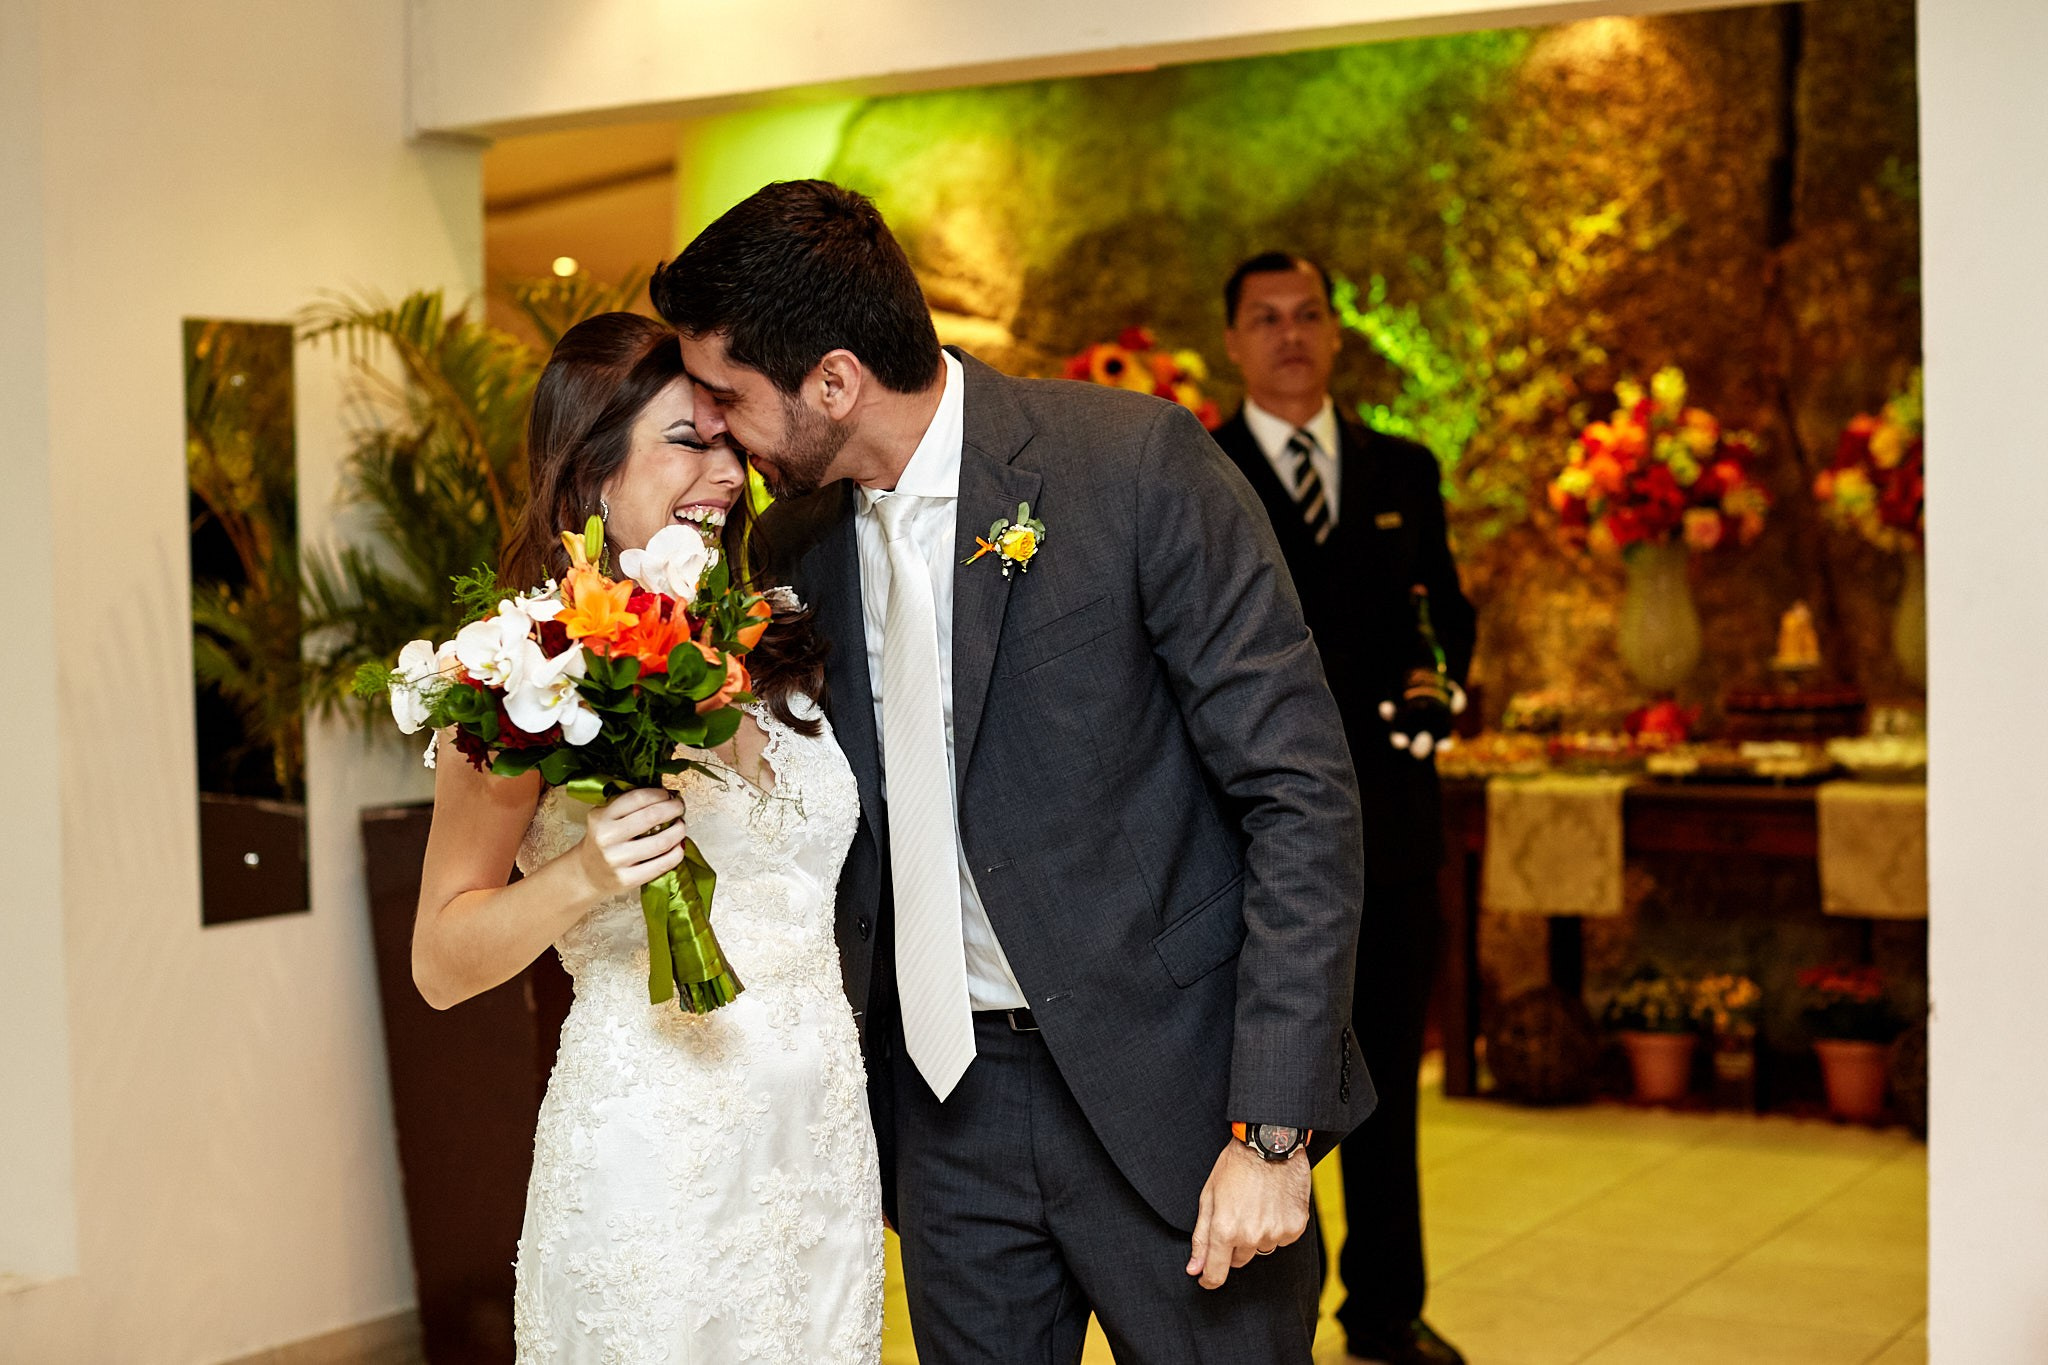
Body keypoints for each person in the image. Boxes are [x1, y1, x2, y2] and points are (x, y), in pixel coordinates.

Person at [651, 181, 1374, 1365]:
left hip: (1177, 1100)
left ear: (832, 382)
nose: (720, 432)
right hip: (948, 1120)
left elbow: (1300, 797)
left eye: (727, 398)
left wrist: (1272, 1130)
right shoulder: (792, 545)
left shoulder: (1129, 466)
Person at [410, 311, 884, 1364]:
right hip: (654, 1162)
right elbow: (440, 962)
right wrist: (583, 872)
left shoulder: (773, 643)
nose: (725, 472)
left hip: (815, 1156)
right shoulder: (523, 675)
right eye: (685, 440)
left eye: (729, 440)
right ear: (589, 477)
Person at [1210, 252, 1476, 1365]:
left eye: (1307, 314)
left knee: (1389, 1085)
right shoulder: (1200, 468)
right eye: (1265, 318)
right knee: (1269, 1087)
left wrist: (1442, 682)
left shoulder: (1402, 469)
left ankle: (1385, 1308)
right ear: (1233, 341)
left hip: (1393, 833)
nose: (1290, 334)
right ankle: (1264, 1317)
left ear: (1333, 330)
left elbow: (1444, 615)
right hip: (1251, 844)